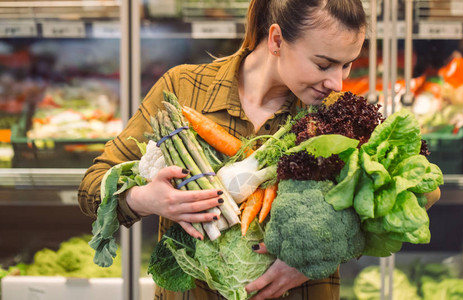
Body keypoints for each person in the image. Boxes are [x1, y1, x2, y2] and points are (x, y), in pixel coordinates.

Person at [79, 0, 438, 299]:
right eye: (323, 64)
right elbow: (91, 187)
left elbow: (425, 191)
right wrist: (146, 199)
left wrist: (316, 255)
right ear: (277, 40)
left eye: (347, 64)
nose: (337, 82)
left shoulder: (336, 117)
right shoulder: (184, 89)